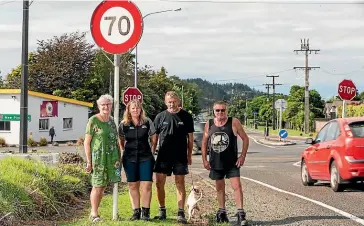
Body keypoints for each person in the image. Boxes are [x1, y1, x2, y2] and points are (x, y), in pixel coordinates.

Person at [201, 100, 249, 226]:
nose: (220, 112)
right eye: (218, 110)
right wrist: (204, 160)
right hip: (215, 162)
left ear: (226, 111)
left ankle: (240, 213)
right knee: (219, 188)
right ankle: (222, 212)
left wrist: (242, 156)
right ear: (214, 111)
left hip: (232, 162)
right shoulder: (209, 124)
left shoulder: (234, 122)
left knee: (237, 186)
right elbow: (204, 142)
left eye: (223, 110)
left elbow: (245, 138)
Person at [152, 91, 194, 224]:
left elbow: (191, 139)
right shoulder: (160, 117)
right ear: (165, 102)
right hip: (163, 156)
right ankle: (162, 210)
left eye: (174, 101)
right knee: (159, 183)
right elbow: (155, 138)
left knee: (180, 182)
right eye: (169, 101)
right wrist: (152, 153)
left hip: (180, 156)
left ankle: (180, 212)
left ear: (178, 101)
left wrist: (189, 155)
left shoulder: (186, 116)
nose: (172, 103)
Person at [84, 94, 122, 223]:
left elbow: (115, 140)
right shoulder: (93, 120)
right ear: (99, 106)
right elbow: (87, 142)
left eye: (108, 104)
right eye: (103, 104)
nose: (106, 106)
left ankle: (95, 211)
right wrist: (89, 161)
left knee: (104, 186)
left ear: (111, 105)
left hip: (111, 158)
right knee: (97, 185)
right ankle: (94, 214)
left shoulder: (112, 121)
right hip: (98, 159)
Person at [118, 100, 157, 221]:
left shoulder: (147, 122)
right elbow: (121, 140)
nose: (136, 110)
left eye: (138, 108)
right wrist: (125, 150)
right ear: (129, 110)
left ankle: (145, 213)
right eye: (133, 108)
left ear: (141, 109)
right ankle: (136, 212)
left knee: (147, 185)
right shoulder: (123, 124)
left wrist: (152, 150)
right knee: (132, 185)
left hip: (146, 157)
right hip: (129, 158)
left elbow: (154, 138)